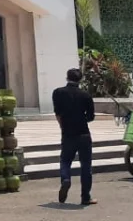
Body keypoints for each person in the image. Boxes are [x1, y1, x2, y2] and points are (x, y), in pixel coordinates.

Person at [52, 68, 96, 205]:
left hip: (68, 133)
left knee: (65, 160)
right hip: (83, 133)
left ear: (67, 78)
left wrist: (63, 126)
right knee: (86, 166)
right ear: (80, 79)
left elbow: (58, 113)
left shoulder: (58, 93)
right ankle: (85, 197)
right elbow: (90, 117)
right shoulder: (86, 95)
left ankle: (66, 179)